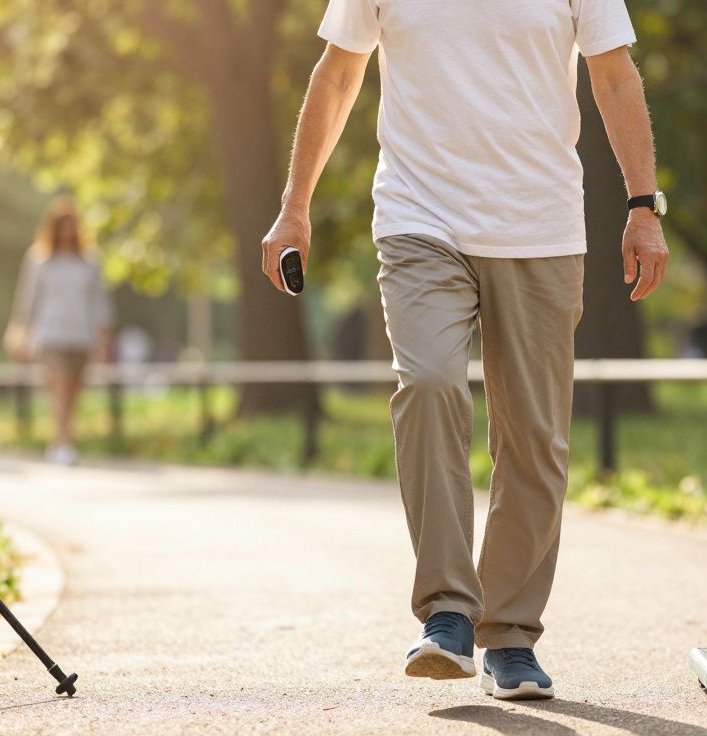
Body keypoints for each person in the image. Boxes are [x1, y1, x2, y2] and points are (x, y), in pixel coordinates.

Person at [262, 0, 669, 700]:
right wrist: (295, 204)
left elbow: (613, 74)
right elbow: (338, 74)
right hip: (419, 217)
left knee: (535, 438)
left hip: (538, 225)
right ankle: (448, 610)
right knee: (427, 381)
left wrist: (642, 206)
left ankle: (509, 634)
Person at [6, 197, 112, 466]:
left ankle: (63, 438)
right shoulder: (39, 260)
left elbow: (99, 303)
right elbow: (28, 301)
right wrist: (20, 333)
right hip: (50, 335)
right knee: (58, 390)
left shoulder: (89, 262)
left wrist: (103, 338)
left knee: (73, 393)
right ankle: (63, 442)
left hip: (81, 336)